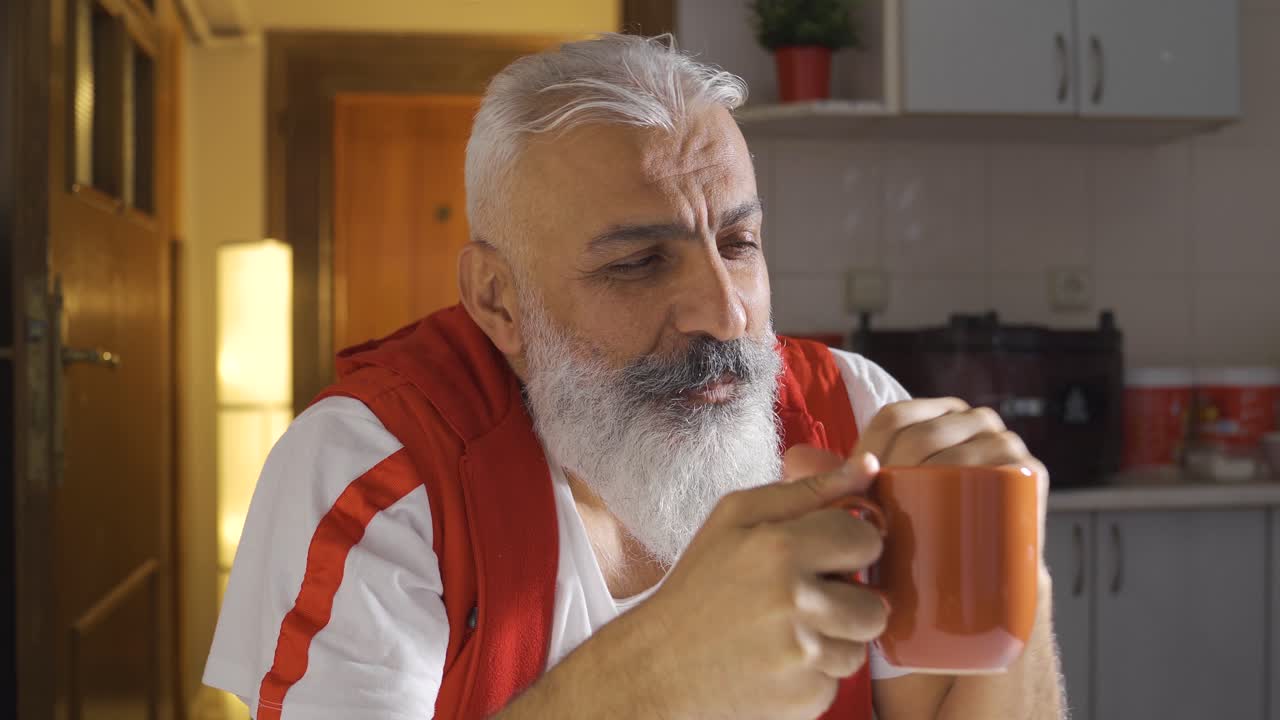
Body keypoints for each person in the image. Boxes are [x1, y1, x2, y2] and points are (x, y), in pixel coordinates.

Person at [204, 34, 1063, 720]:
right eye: (640, 263)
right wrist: (662, 673)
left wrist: (1020, 583)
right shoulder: (377, 469)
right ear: (498, 302)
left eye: (738, 244)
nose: (725, 314)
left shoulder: (856, 412)